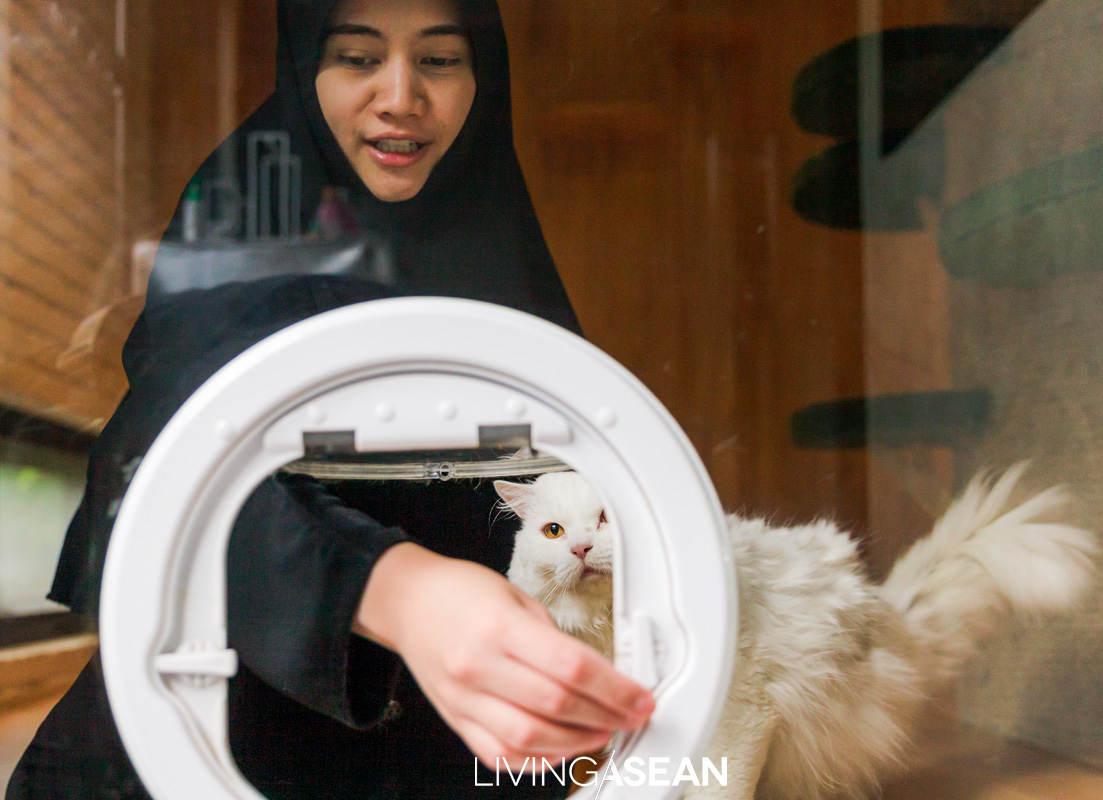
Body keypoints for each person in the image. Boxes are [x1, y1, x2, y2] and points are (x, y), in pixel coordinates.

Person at [6, 1, 652, 798]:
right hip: (213, 739)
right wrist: (398, 589)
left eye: (441, 60)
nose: (401, 94)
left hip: (464, 751)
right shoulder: (247, 221)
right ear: (306, 72)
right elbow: (154, 470)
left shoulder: (498, 251)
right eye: (357, 57)